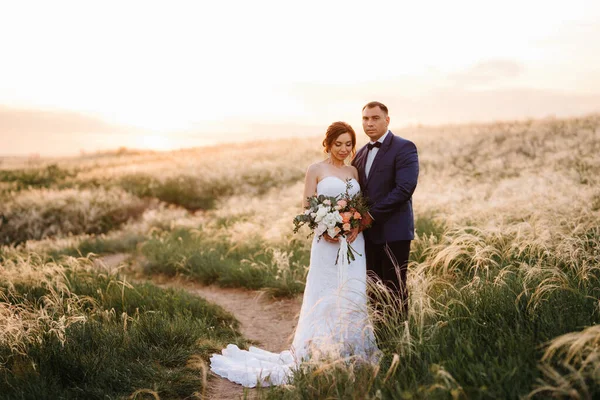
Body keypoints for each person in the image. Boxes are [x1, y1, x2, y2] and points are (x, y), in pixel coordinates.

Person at [210, 122, 379, 387]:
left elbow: (358, 206)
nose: (344, 149)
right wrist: (326, 227)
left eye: (348, 144)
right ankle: (318, 350)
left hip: (354, 243)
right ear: (328, 143)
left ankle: (351, 349)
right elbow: (308, 205)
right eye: (338, 144)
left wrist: (354, 225)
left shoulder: (353, 170)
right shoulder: (315, 169)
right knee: (324, 291)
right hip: (326, 243)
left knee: (352, 290)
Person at [351, 101, 419, 316]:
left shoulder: (404, 147)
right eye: (365, 119)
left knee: (395, 290)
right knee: (373, 291)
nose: (369, 123)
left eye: (375, 118)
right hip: (367, 236)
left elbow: (405, 188)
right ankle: (379, 341)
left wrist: (370, 215)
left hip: (394, 232)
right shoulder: (360, 153)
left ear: (387, 120)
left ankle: (400, 341)